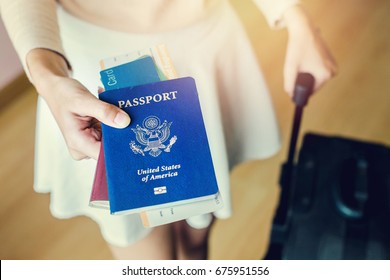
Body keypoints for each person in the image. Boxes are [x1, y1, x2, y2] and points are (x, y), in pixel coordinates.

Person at [0, 0, 337, 260]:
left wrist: (295, 17)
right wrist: (48, 77)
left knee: (196, 239)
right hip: (91, 69)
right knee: (147, 253)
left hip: (203, 47)